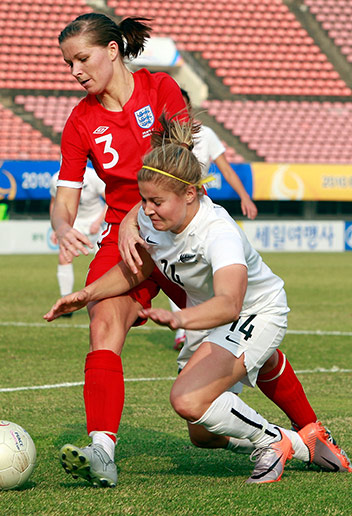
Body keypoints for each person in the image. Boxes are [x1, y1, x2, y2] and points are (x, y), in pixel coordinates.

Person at [44, 115, 351, 484]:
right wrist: (86, 294)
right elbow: (139, 269)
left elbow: (230, 303)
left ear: (190, 194)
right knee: (204, 435)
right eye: (144, 201)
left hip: (255, 311)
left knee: (188, 400)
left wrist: (181, 320)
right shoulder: (150, 219)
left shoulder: (218, 232)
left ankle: (273, 442)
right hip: (216, 321)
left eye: (156, 201)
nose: (147, 210)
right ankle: (305, 443)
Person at [49, 13, 189, 488]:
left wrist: (137, 215)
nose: (75, 71)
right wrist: (63, 225)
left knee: (207, 419)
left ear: (112, 50)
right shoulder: (80, 119)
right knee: (103, 319)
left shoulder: (161, 90)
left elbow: (180, 166)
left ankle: (307, 430)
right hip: (121, 241)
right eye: (68, 63)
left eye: (82, 59)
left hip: (184, 232)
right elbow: (65, 192)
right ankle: (102, 450)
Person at [171, 88, 258, 350]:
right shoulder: (163, 137)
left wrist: (245, 196)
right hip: (172, 211)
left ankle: (216, 318)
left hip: (199, 206)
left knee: (205, 268)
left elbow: (226, 169)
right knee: (177, 267)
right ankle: (183, 330)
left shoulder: (206, 135)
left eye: (183, 106)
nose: (180, 113)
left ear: (189, 107)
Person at [49, 164, 106, 312]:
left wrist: (98, 222)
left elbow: (110, 200)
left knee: (102, 260)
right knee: (64, 256)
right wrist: (57, 229)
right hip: (75, 223)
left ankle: (101, 298)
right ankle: (65, 300)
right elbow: (55, 205)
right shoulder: (56, 179)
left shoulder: (93, 176)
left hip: (97, 222)